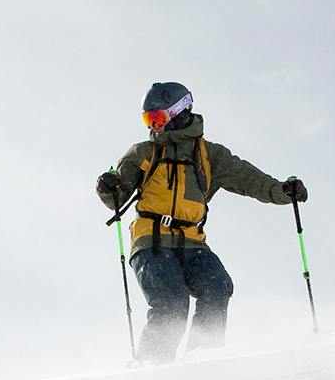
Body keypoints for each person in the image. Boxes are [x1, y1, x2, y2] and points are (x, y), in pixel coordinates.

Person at [94, 81, 307, 363]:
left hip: (193, 240)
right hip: (151, 239)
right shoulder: (143, 153)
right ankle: (151, 364)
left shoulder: (209, 155)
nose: (153, 126)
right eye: (149, 120)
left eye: (157, 118)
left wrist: (282, 191)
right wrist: (108, 187)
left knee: (218, 286)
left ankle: (201, 356)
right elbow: (118, 198)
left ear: (179, 112)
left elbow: (248, 179)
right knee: (172, 302)